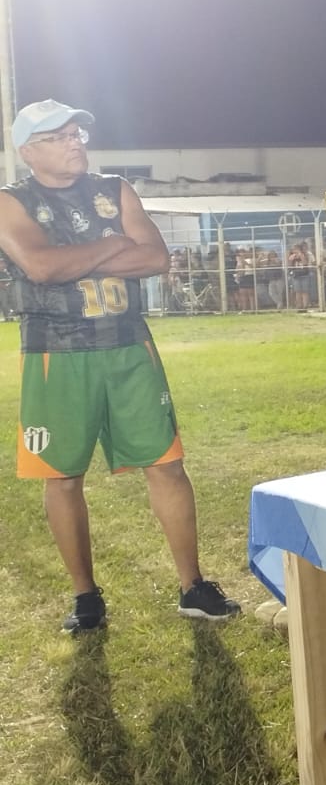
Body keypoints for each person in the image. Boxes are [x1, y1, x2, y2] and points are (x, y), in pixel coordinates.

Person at [0, 99, 240, 631]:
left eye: (77, 133)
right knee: (62, 475)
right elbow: (40, 266)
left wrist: (77, 257)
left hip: (129, 346)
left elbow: (155, 257)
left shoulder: (115, 189)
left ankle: (192, 585)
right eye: (59, 137)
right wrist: (111, 244)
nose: (75, 142)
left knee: (167, 464)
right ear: (28, 151)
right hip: (55, 352)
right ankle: (85, 596)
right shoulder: (11, 201)